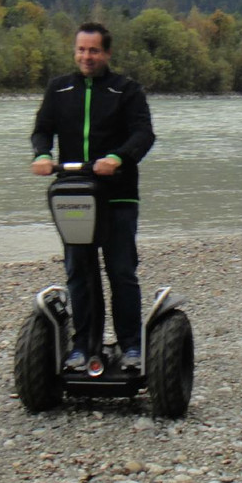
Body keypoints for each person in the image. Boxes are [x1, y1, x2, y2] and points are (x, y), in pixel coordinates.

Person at [30, 22, 156, 370]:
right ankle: (84, 346)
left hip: (118, 197)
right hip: (74, 195)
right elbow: (42, 130)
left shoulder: (126, 90)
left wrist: (118, 157)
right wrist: (42, 154)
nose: (87, 56)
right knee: (78, 272)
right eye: (81, 50)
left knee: (121, 271)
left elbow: (143, 133)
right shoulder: (59, 88)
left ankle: (131, 346)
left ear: (107, 53)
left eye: (94, 50)